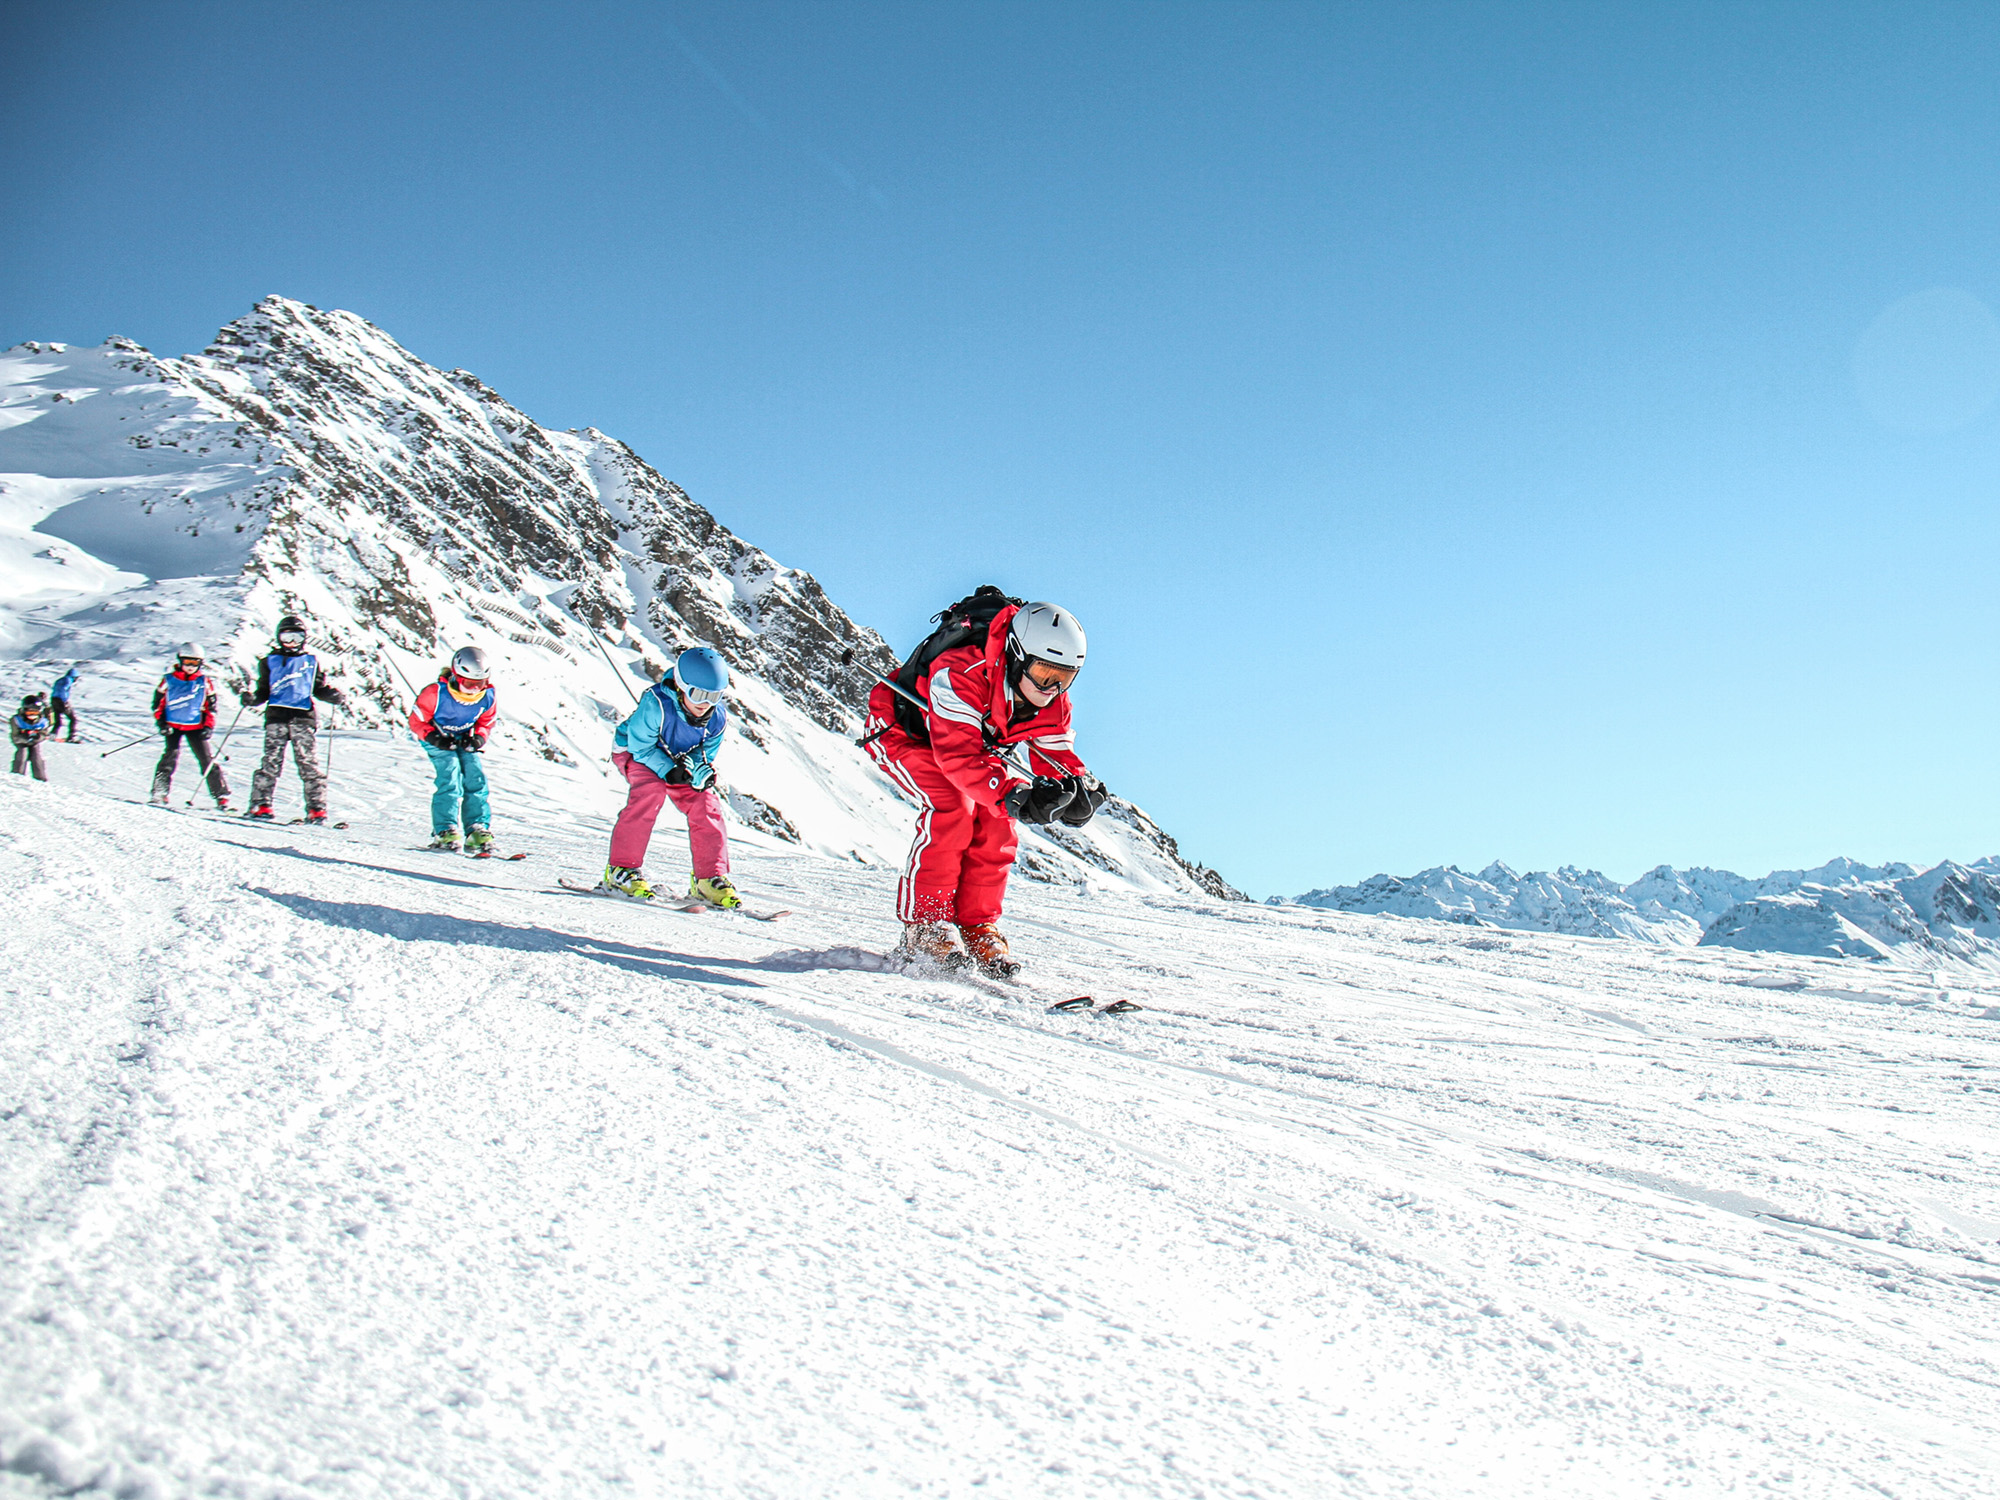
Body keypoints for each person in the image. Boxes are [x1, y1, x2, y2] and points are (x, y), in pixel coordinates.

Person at [863, 598, 1107, 976]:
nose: (1052, 687)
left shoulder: (1053, 700)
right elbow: (957, 757)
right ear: (1016, 655)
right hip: (904, 734)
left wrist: (1075, 789)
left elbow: (1055, 751)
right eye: (1044, 672)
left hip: (972, 749)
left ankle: (976, 925)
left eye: (1064, 677)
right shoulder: (960, 671)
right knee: (952, 808)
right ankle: (925, 927)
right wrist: (1015, 795)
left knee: (998, 823)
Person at [597, 646, 739, 908]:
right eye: (698, 695)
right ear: (681, 686)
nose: (705, 704)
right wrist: (668, 770)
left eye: (715, 696)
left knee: (706, 805)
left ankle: (708, 879)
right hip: (637, 753)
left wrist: (697, 773)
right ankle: (621, 871)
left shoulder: (716, 718)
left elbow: (704, 752)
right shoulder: (656, 706)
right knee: (650, 792)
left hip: (677, 760)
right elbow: (640, 748)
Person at [240, 614, 346, 822]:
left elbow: (318, 688)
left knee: (308, 763)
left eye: (296, 638)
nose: (291, 643)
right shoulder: (269, 662)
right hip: (276, 718)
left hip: (302, 718)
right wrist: (252, 699)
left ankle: (317, 808)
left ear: (304, 639)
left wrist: (332, 695)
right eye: (287, 638)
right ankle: (261, 804)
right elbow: (263, 691)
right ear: (279, 638)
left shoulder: (310, 662)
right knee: (271, 762)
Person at [408, 646, 499, 852]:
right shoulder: (435, 694)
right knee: (450, 774)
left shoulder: (487, 697)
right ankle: (445, 828)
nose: (475, 689)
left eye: (481, 684)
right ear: (457, 676)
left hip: (463, 738)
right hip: (437, 737)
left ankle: (477, 828)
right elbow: (417, 720)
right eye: (469, 684)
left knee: (475, 777)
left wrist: (477, 739)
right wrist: (433, 737)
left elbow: (486, 722)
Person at [151, 644, 230, 809]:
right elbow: (158, 704)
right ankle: (160, 791)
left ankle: (221, 796)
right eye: (187, 662)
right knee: (169, 757)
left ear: (200, 664)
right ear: (180, 661)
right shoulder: (169, 680)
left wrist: (208, 727)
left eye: (194, 663)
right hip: (173, 726)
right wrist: (162, 723)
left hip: (195, 727)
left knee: (206, 760)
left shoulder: (204, 682)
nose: (190, 667)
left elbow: (211, 707)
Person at [11, 693, 51, 780]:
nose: (32, 715)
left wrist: (39, 736)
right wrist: (23, 737)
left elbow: (45, 733)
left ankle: (40, 778)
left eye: (35, 712)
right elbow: (14, 736)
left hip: (34, 742)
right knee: (22, 754)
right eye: (30, 712)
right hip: (21, 742)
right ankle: (17, 776)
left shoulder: (42, 721)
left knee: (36, 756)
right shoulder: (17, 720)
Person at [47, 666, 80, 742]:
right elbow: (63, 690)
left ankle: (53, 735)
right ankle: (72, 736)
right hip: (61, 701)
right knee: (73, 719)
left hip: (54, 700)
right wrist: (64, 701)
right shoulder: (68, 680)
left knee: (58, 720)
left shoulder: (60, 680)